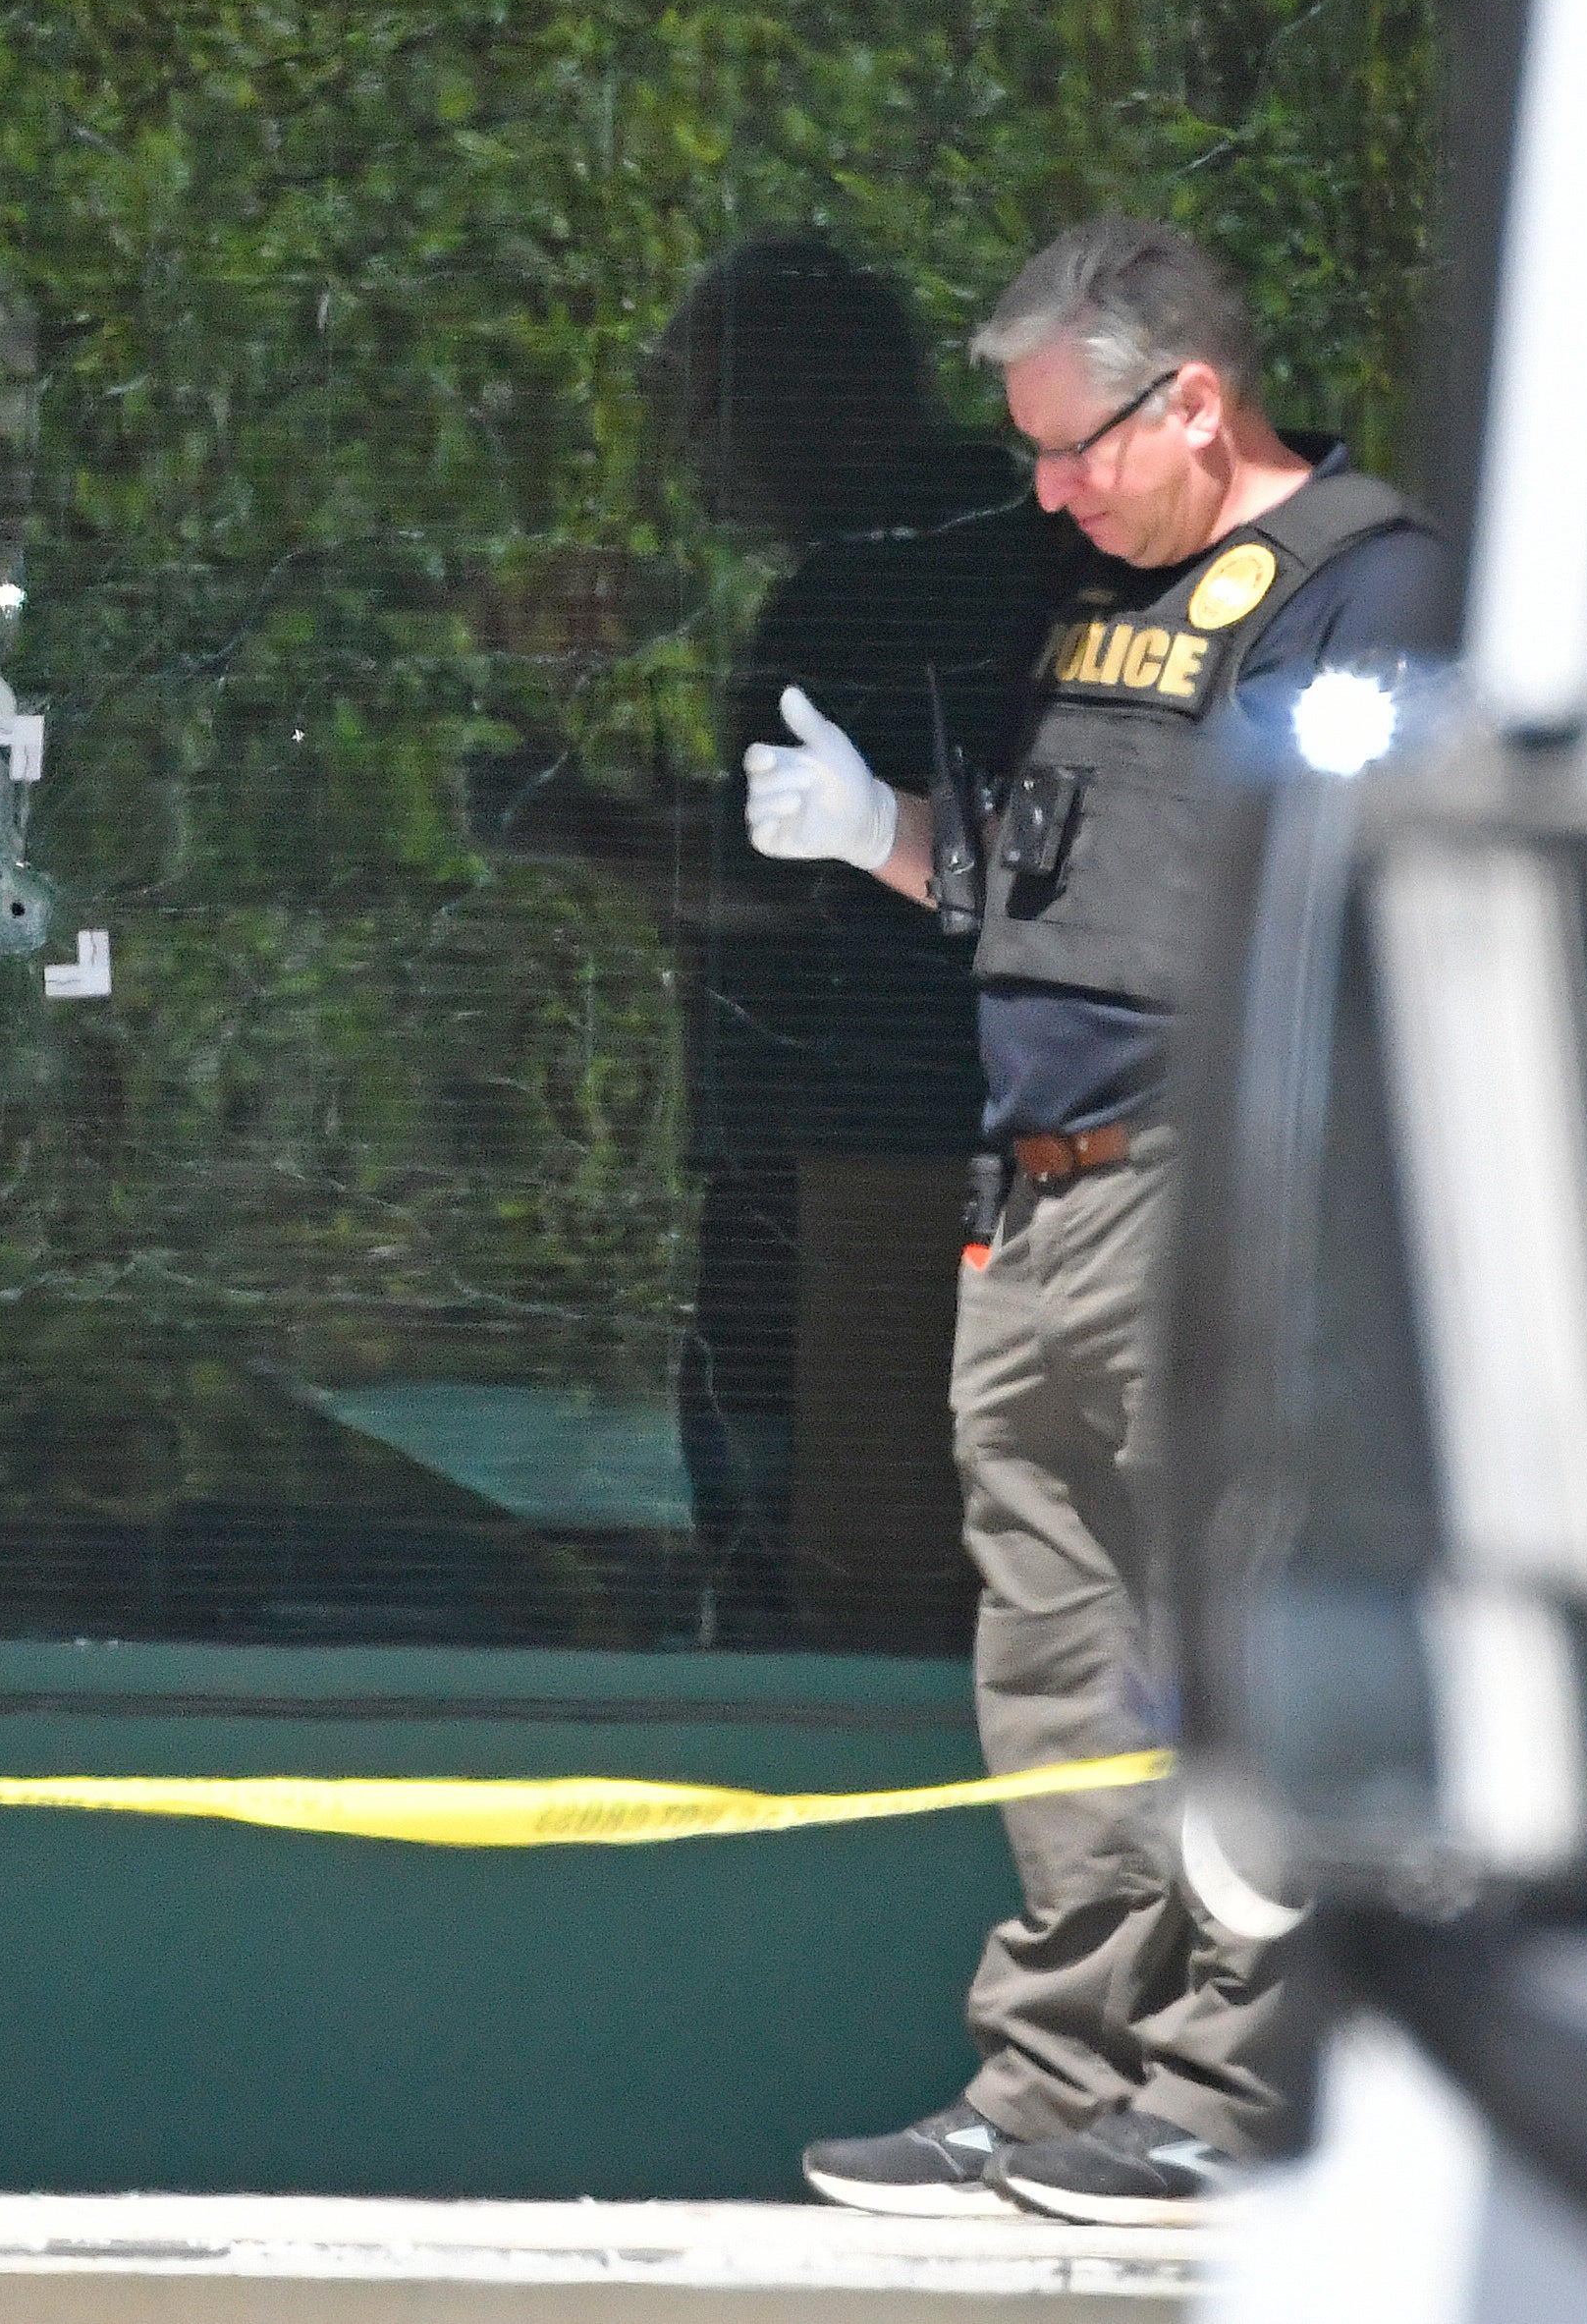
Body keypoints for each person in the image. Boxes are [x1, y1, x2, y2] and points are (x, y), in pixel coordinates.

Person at [748, 219, 1448, 2225]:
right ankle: (1055, 2077)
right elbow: (1063, 889)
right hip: (1035, 1204)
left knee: (1227, 1654)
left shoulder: (1365, 593)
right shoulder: (1106, 600)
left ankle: (1233, 2088)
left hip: (1218, 1201)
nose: (1041, 494)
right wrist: (877, 831)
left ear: (1192, 401)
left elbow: (1369, 921)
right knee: (1058, 1667)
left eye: (1069, 452)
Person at [649, 236, 1091, 1641]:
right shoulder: (1027, 540)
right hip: (1011, 1143)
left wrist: (563, 827)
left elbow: (779, 878)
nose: (687, 459)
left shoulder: (868, 578)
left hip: (868, 1169)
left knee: (829, 1573)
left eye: (701, 408)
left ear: (811, 394)